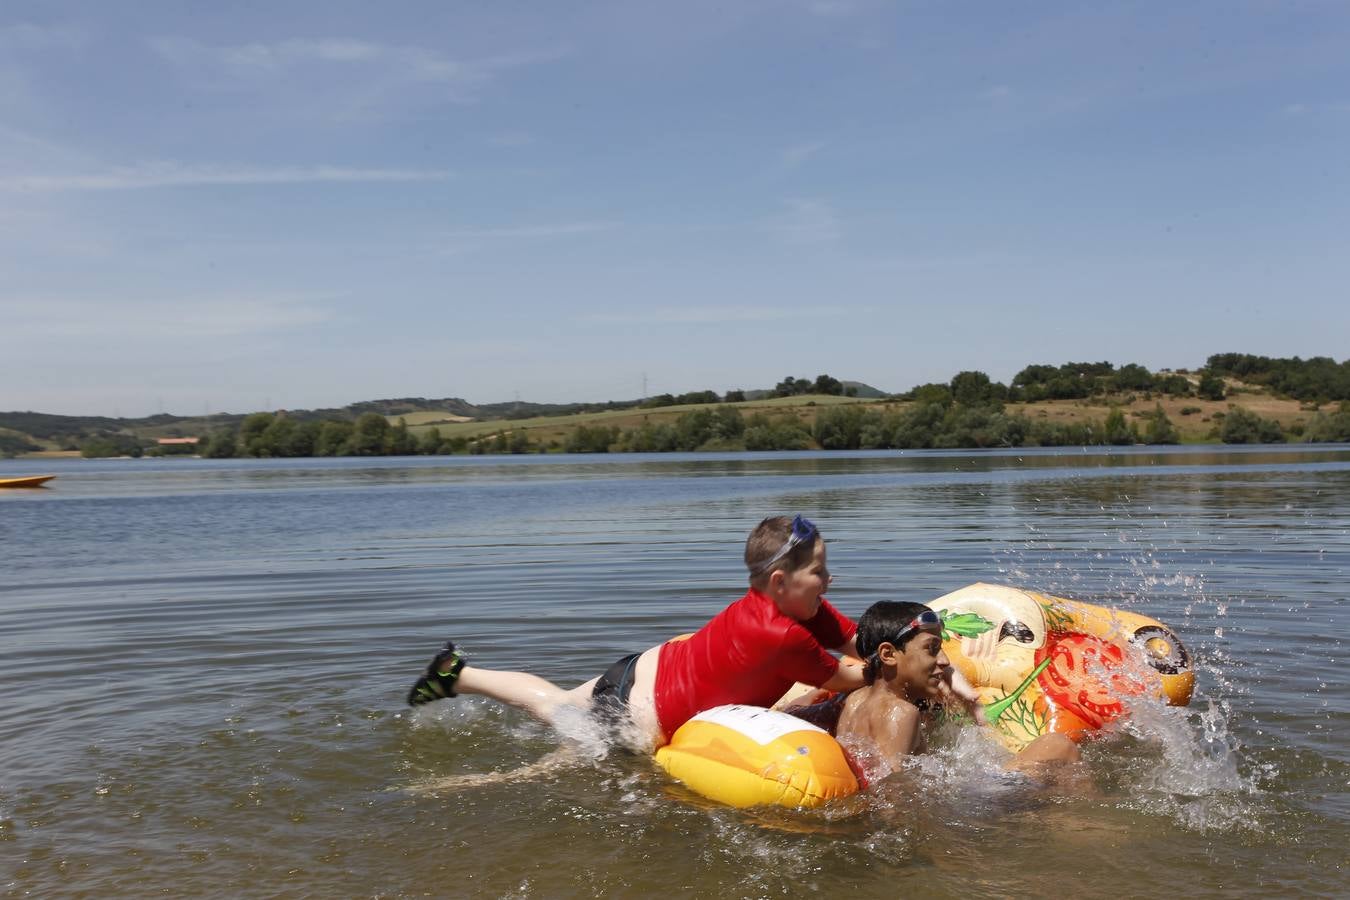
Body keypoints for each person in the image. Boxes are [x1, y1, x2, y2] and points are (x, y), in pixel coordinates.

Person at [405, 515, 866, 750]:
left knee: (558, 701)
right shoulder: (782, 633)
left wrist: (886, 641)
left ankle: (458, 674)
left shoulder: (792, 608)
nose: (829, 580)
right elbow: (846, 677)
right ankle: (457, 786)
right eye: (820, 572)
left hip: (644, 668)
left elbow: (853, 639)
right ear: (781, 583)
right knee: (553, 755)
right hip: (638, 718)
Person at [834, 600, 1079, 780]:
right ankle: (1081, 829)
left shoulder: (855, 699)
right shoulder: (901, 711)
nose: (944, 660)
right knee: (1058, 745)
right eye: (932, 648)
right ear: (888, 654)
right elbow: (892, 793)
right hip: (971, 808)